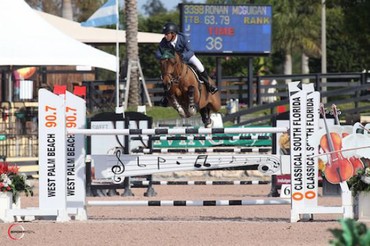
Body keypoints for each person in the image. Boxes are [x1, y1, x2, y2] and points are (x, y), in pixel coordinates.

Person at [155, 22, 218, 104]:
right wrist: (163, 57)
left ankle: (209, 86)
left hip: (187, 57)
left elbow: (190, 51)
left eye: (167, 34)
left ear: (173, 34)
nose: (165, 36)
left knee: (200, 67)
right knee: (165, 74)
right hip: (174, 62)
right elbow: (157, 53)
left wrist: (182, 57)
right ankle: (166, 96)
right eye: (165, 34)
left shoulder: (183, 38)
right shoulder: (164, 41)